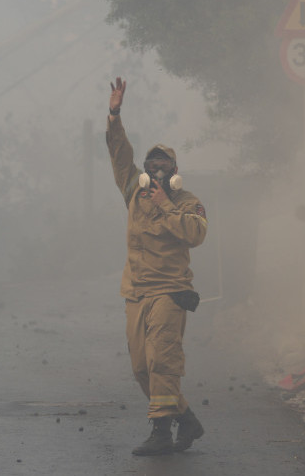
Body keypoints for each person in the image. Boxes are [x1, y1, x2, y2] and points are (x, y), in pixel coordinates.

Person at [105, 76, 209, 456]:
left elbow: (195, 234)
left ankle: (161, 433)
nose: (157, 169)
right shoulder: (134, 189)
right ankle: (189, 420)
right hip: (136, 291)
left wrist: (165, 201)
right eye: (152, 164)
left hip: (170, 291)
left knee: (161, 361)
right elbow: (119, 153)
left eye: (164, 164)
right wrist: (114, 113)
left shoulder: (186, 201)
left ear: (175, 170)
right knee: (140, 368)